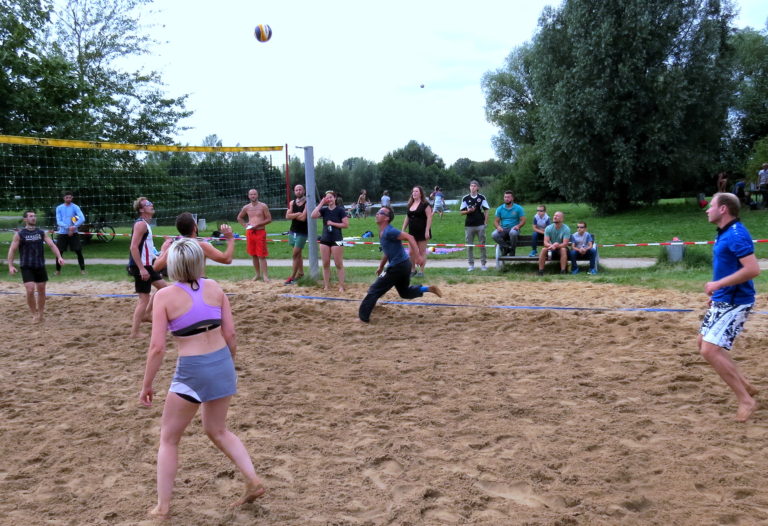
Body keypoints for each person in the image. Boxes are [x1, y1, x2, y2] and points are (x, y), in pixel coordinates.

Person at [139, 238, 265, 520]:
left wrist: (147, 384)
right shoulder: (215, 288)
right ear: (199, 261)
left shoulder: (164, 296)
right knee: (218, 430)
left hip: (192, 370)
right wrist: (227, 365)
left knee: (169, 438)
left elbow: (157, 347)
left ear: (172, 264)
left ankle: (162, 507)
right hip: (221, 362)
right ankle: (253, 479)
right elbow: (231, 335)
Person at [698, 192, 761, 422]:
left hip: (737, 301)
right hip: (724, 298)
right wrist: (718, 292)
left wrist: (718, 284)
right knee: (702, 343)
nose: (707, 209)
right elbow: (729, 267)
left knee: (710, 350)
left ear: (723, 209)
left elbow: (753, 269)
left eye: (711, 205)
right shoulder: (725, 232)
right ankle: (745, 385)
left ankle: (746, 400)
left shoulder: (736, 234)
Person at [359, 206, 442, 322]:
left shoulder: (389, 231)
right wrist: (381, 266)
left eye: (380, 212)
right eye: (377, 212)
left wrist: (418, 256)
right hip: (404, 265)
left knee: (374, 290)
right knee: (404, 292)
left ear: (386, 218)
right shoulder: (382, 232)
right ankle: (428, 289)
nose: (377, 214)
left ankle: (363, 318)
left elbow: (410, 237)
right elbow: (387, 252)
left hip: (398, 267)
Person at [7, 210, 65, 323]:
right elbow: (12, 250)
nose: (33, 218)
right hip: (26, 266)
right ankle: (34, 314)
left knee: (41, 289)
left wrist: (59, 257)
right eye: (30, 216)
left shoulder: (41, 233)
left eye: (34, 216)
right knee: (30, 290)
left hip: (40, 265)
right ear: (25, 219)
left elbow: (52, 245)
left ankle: (41, 314)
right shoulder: (20, 234)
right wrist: (10, 265)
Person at [129, 197, 167, 338]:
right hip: (141, 266)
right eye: (148, 204)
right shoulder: (141, 225)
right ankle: (134, 332)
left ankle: (147, 314)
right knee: (144, 299)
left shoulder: (145, 224)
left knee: (164, 289)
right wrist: (141, 268)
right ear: (141, 209)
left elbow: (146, 248)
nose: (151, 205)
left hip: (148, 264)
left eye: (151, 203)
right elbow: (133, 247)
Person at [153, 212, 235, 270]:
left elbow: (156, 267)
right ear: (194, 228)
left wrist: (163, 250)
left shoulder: (174, 247)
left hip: (181, 287)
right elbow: (227, 260)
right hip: (198, 284)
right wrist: (230, 239)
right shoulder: (202, 246)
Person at [311, 190, 349, 291]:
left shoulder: (340, 210)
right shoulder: (324, 210)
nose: (329, 199)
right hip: (325, 239)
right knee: (325, 263)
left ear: (335, 198)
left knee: (338, 263)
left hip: (337, 239)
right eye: (327, 198)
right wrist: (321, 203)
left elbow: (346, 225)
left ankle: (341, 286)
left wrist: (333, 223)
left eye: (331, 197)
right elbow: (313, 215)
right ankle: (326, 286)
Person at [236, 189, 272, 281]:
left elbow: (269, 219)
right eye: (251, 194)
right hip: (250, 232)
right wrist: (245, 225)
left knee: (261, 255)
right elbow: (239, 217)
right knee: (253, 254)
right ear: (248, 196)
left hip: (260, 231)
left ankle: (265, 276)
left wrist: (258, 224)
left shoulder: (263, 206)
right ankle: (257, 274)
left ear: (257, 195)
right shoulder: (246, 207)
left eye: (254, 194)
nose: (253, 196)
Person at [402, 185, 433, 277]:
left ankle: (421, 271)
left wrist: (427, 230)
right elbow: (407, 217)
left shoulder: (425, 204)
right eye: (413, 191)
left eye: (416, 191)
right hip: (412, 233)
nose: (414, 193)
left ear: (420, 194)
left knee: (422, 251)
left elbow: (429, 217)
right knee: (411, 252)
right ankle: (413, 270)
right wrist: (403, 229)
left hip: (423, 232)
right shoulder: (410, 204)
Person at [460, 180, 490, 271]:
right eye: (471, 186)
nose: (472, 188)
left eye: (474, 186)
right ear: (469, 187)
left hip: (480, 224)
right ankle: (471, 265)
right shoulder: (465, 198)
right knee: (469, 246)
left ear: (477, 188)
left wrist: (485, 222)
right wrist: (468, 211)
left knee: (482, 245)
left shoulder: (481, 197)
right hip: (469, 225)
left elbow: (486, 210)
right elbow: (461, 212)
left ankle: (483, 264)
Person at [54, 191, 86, 275]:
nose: (68, 199)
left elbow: (82, 218)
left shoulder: (75, 207)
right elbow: (59, 221)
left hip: (74, 233)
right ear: (64, 198)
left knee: (78, 251)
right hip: (63, 233)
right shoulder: (59, 208)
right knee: (59, 252)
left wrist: (74, 227)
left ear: (72, 198)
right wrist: (68, 228)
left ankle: (82, 270)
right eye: (66, 197)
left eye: (70, 197)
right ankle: (58, 271)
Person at [284, 184, 307, 285]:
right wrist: (297, 214)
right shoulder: (292, 203)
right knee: (298, 255)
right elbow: (287, 216)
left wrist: (294, 215)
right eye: (296, 190)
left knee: (295, 254)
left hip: (302, 232)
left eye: (300, 189)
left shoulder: (307, 202)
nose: (298, 191)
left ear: (304, 190)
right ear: (294, 191)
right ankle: (301, 273)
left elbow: (303, 218)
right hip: (292, 231)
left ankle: (292, 277)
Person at [491, 190, 526, 256]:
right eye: (505, 197)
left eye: (508, 197)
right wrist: (498, 227)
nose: (506, 199)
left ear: (512, 198)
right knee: (494, 234)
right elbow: (495, 221)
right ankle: (507, 247)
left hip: (514, 228)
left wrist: (518, 226)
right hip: (503, 228)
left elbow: (523, 220)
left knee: (513, 233)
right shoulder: (500, 208)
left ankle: (512, 251)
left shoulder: (518, 208)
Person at [537, 211, 570, 275]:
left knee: (563, 249)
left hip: (562, 248)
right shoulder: (548, 228)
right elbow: (545, 242)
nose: (555, 217)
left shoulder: (566, 229)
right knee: (543, 249)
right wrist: (552, 246)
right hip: (551, 248)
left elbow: (565, 244)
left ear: (562, 219)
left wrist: (556, 245)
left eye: (557, 216)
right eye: (554, 215)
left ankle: (563, 271)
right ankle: (540, 271)